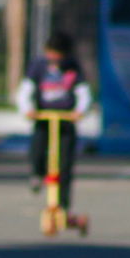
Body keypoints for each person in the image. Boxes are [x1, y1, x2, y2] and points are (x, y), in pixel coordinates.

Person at [14, 32, 92, 235]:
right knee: (38, 149)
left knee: (65, 165)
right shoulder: (39, 65)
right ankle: (36, 174)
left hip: (65, 121)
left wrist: (79, 112)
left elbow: (84, 93)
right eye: (51, 55)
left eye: (58, 56)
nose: (54, 59)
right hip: (44, 119)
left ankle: (63, 206)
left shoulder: (73, 67)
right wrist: (27, 110)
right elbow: (25, 91)